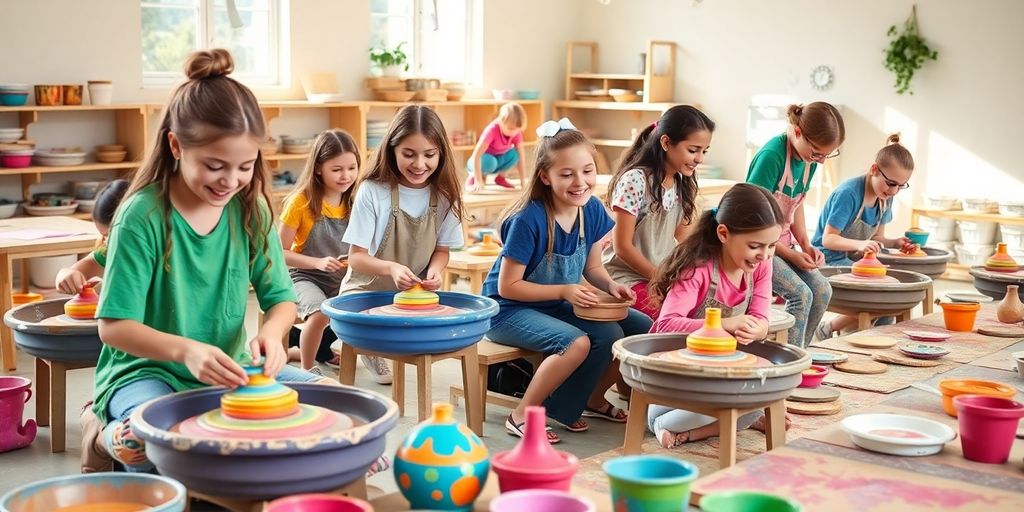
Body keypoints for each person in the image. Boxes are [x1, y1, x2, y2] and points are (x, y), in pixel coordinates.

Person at [90, 49, 327, 473]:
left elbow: (281, 300)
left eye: (244, 166)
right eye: (215, 166)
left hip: (232, 369)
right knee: (153, 444)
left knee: (333, 412)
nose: (230, 182)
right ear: (176, 145)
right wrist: (187, 351)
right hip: (146, 373)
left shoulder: (251, 209)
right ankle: (102, 433)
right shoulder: (141, 216)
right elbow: (113, 327)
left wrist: (275, 337)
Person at [481, 118, 652, 444]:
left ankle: (587, 400)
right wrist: (564, 290)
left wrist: (609, 286)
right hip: (507, 310)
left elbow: (593, 269)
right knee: (577, 342)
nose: (580, 182)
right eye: (567, 174)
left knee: (637, 327)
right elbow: (508, 287)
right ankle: (522, 416)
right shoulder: (528, 219)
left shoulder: (592, 211)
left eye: (587, 171)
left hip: (557, 303)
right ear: (545, 177)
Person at [647, 183, 787, 447]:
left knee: (760, 399)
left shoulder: (760, 266)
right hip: (674, 380)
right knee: (742, 404)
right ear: (723, 233)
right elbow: (664, 325)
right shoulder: (697, 268)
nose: (765, 255)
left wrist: (760, 328)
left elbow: (760, 315)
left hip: (716, 376)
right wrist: (724, 324)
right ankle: (663, 423)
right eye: (756, 245)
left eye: (772, 246)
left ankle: (688, 433)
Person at [340, 105, 465, 384]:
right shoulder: (373, 191)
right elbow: (356, 258)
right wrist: (392, 268)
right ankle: (370, 347)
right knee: (386, 365)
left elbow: (442, 250)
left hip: (412, 297)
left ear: (441, 154)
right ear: (392, 150)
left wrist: (435, 271)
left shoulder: (445, 195)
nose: (419, 164)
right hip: (366, 295)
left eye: (429, 155)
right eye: (409, 154)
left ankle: (381, 343)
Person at [746, 101, 844, 347]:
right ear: (798, 132)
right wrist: (791, 254)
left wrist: (805, 244)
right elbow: (750, 220)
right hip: (755, 245)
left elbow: (796, 205)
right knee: (801, 294)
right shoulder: (772, 156)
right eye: (818, 153)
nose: (821, 161)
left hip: (782, 243)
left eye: (826, 154)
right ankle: (785, 361)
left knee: (822, 290)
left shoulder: (807, 158)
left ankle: (801, 352)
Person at [605, 105, 713, 319]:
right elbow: (622, 247)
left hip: (657, 277)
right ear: (665, 142)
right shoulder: (635, 180)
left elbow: (685, 238)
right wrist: (661, 278)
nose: (699, 158)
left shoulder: (680, 181)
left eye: (704, 151)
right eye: (693, 150)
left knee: (705, 308)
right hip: (625, 277)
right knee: (670, 318)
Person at [812, 133, 915, 338]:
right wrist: (860, 245)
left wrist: (895, 242)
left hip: (855, 261)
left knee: (894, 293)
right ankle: (828, 329)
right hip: (827, 260)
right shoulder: (849, 194)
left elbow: (878, 238)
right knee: (882, 296)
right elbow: (828, 239)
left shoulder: (885, 196)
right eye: (891, 183)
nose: (894, 191)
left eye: (901, 186)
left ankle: (870, 339)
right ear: (874, 170)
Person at [278, 129, 359, 373]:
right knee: (321, 312)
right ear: (318, 168)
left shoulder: (356, 200)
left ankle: (318, 349)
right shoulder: (301, 202)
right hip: (304, 277)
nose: (346, 176)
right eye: (337, 170)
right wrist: (318, 263)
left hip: (342, 279)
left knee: (363, 308)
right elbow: (278, 252)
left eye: (352, 168)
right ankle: (307, 370)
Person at [55, 179, 130, 293]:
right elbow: (74, 272)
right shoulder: (108, 251)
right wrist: (65, 275)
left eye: (110, 235)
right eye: (104, 236)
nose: (106, 242)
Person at [465, 102, 527, 191]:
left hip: (496, 160)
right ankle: (474, 176)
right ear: (501, 122)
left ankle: (500, 178)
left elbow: (521, 158)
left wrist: (523, 182)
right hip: (478, 161)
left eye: (518, 130)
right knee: (491, 162)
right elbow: (476, 155)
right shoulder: (492, 130)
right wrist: (478, 180)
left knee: (515, 155)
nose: (514, 133)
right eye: (511, 129)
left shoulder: (515, 132)